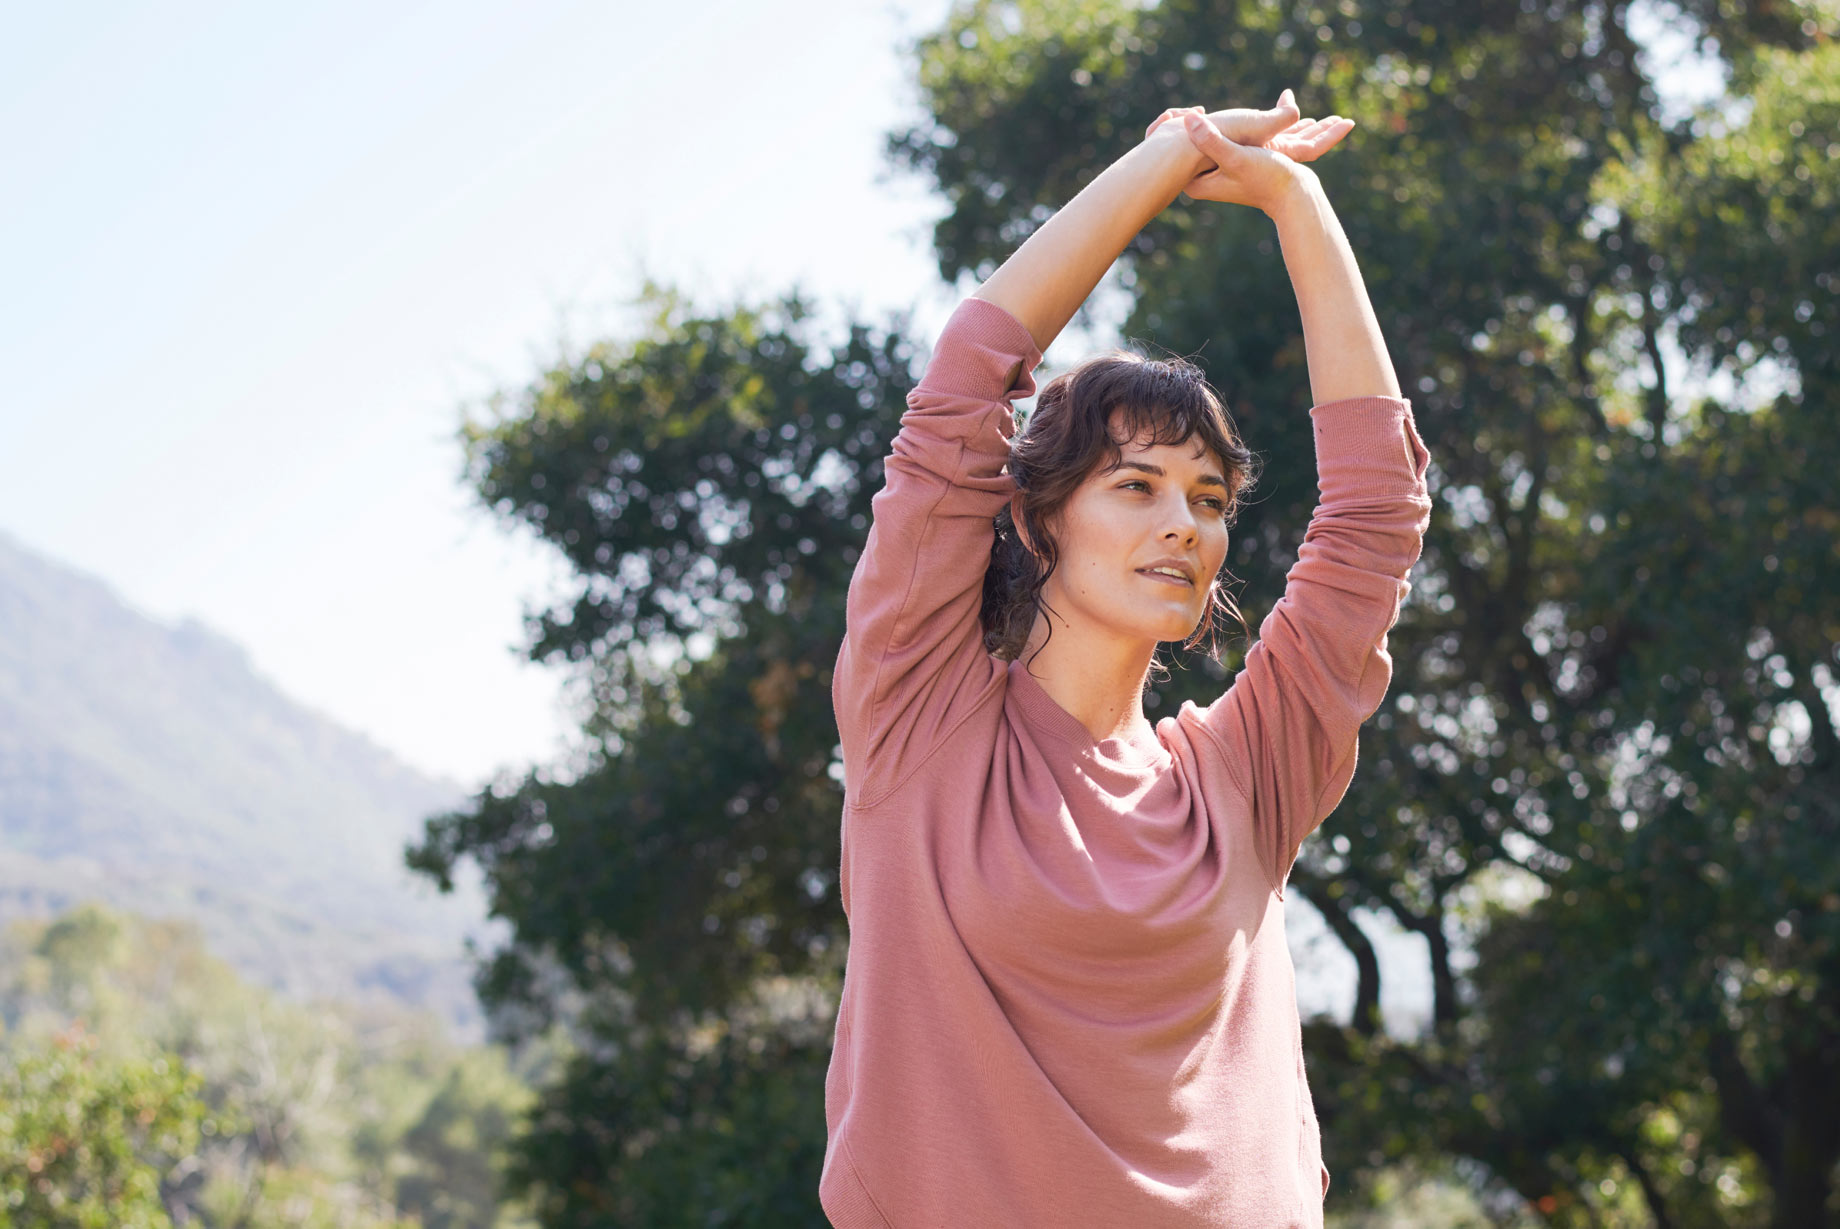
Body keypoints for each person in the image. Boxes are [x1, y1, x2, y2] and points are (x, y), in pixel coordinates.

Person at [821, 89, 1433, 1228]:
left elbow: (1375, 514)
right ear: (1035, 515)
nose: (1182, 525)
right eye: (1135, 485)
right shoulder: (919, 723)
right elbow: (966, 378)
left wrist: (1295, 198)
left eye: (1207, 499)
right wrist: (1165, 159)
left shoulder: (1245, 776)